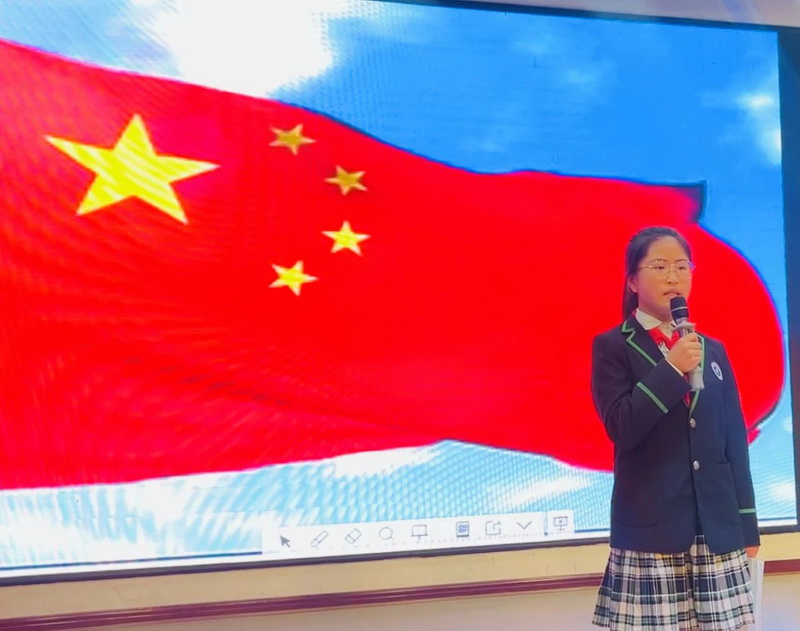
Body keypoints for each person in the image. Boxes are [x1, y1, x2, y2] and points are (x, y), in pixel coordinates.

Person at [591, 226, 760, 631]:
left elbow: (733, 442)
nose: (673, 276)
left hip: (716, 529)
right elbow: (622, 427)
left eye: (683, 267)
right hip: (652, 533)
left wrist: (747, 524)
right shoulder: (612, 346)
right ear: (633, 281)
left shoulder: (712, 350)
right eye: (660, 266)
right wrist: (670, 369)